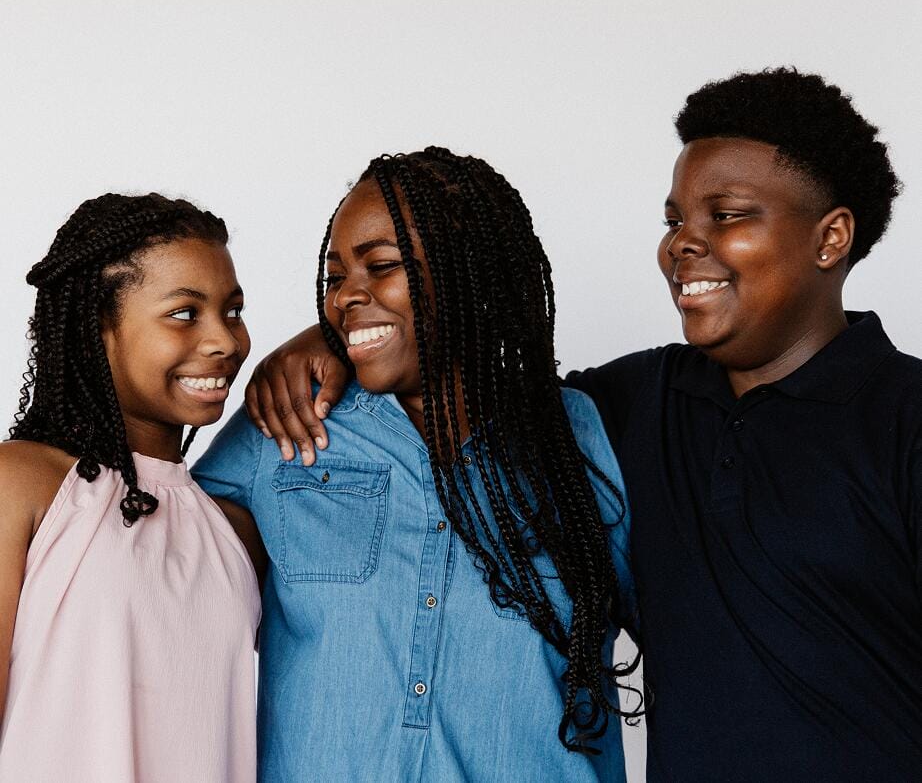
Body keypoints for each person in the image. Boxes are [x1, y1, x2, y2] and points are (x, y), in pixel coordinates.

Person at [246, 69, 922, 781]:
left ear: (831, 238)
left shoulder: (905, 419)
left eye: (726, 215)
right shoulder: (632, 405)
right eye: (674, 221)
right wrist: (337, 333)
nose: (682, 244)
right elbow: (463, 368)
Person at [194, 148, 638, 782]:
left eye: (380, 266)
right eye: (334, 278)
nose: (347, 295)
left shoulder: (587, 444)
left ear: (474, 274)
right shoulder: (288, 423)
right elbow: (155, 587)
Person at [0, 193, 263, 783]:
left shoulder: (234, 530)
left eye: (234, 311)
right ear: (98, 325)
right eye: (185, 313)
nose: (226, 341)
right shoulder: (21, 485)